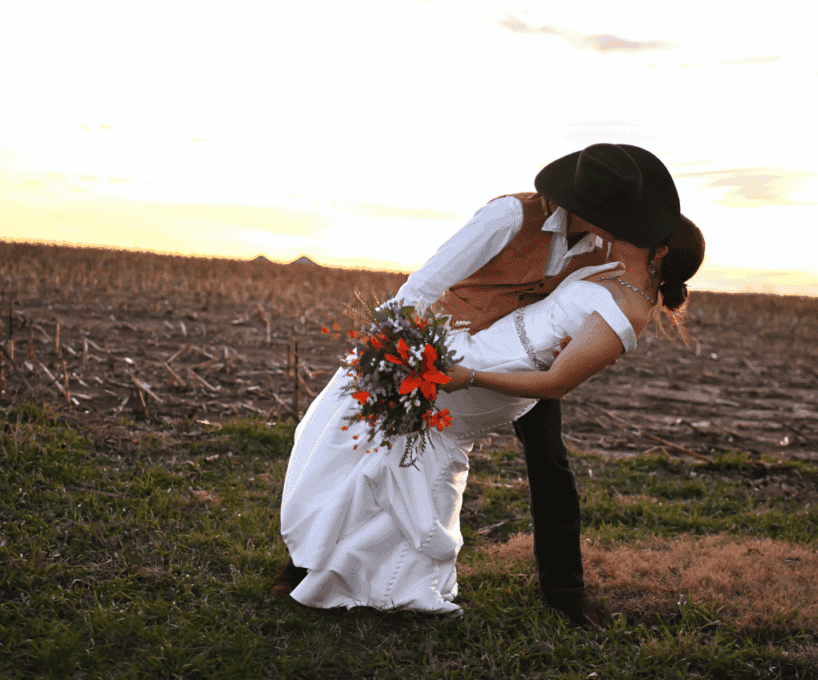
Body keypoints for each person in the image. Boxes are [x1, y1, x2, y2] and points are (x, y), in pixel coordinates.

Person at [274, 144, 705, 625]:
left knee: (549, 461)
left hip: (522, 365)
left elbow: (631, 296)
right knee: (357, 438)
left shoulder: (606, 244)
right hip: (451, 346)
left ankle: (565, 592)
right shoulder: (507, 217)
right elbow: (423, 285)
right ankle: (308, 563)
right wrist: (396, 353)